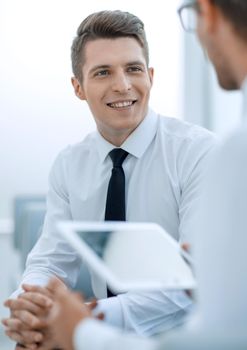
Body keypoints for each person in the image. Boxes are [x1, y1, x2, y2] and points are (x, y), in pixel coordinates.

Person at [30, 0, 247, 349]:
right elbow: (51, 260)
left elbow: (192, 286)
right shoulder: (69, 164)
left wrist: (86, 319)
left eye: (133, 69)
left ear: (151, 76)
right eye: (103, 72)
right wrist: (32, 305)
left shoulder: (202, 153)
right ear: (78, 87)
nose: (122, 85)